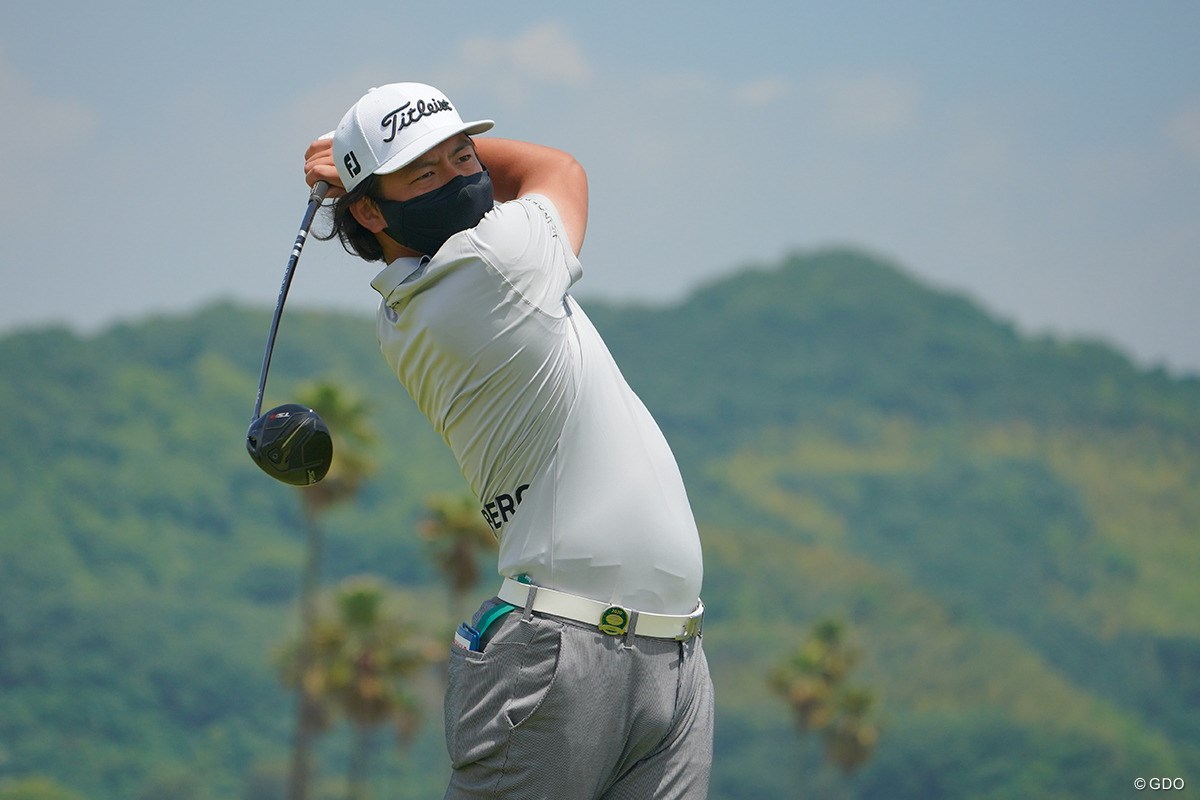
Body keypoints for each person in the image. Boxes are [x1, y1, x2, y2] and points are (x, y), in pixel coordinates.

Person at [303, 82, 713, 799]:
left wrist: (373, 164)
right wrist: (376, 161)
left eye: (464, 156)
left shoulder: (421, 297)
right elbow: (558, 169)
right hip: (557, 657)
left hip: (670, 653)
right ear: (369, 208)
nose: (461, 178)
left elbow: (497, 182)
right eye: (425, 173)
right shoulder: (492, 266)